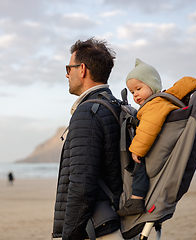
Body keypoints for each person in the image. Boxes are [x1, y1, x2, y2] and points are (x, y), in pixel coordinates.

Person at [52, 38, 124, 240]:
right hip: (114, 220)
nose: (67, 74)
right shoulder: (114, 105)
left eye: (69, 68)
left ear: (82, 69)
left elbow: (81, 186)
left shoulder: (87, 113)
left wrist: (68, 236)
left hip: (96, 230)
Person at [116, 58, 196, 216]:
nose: (135, 95)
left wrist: (136, 150)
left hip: (152, 149)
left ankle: (136, 199)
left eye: (138, 88)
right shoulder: (164, 100)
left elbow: (148, 128)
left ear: (152, 85)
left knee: (139, 167)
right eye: (132, 92)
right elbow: (188, 83)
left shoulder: (153, 106)